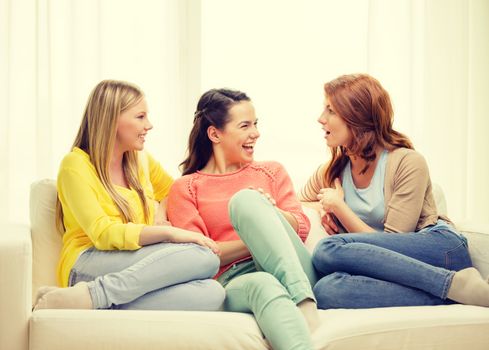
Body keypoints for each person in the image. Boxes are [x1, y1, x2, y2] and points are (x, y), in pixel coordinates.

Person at [300, 73, 489, 309]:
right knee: (327, 291)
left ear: (357, 117)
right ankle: (455, 291)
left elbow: (394, 241)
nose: (321, 118)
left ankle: (452, 281)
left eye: (331, 110)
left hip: (440, 250)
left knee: (328, 250)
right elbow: (297, 203)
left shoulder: (407, 162)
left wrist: (339, 207)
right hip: (397, 268)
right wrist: (322, 207)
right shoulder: (332, 170)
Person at [33, 79, 225, 311]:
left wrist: (159, 214)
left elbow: (174, 191)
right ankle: (96, 293)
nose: (149, 125)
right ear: (112, 119)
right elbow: (103, 233)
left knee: (213, 294)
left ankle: (92, 299)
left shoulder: (140, 161)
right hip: (87, 261)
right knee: (204, 257)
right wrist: (169, 232)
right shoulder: (75, 165)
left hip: (134, 260)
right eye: (140, 116)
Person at [167, 88, 320, 350]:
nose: (256, 133)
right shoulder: (187, 187)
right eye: (245, 125)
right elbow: (197, 258)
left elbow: (302, 227)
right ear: (215, 133)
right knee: (264, 283)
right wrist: (258, 235)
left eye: (256, 124)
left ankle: (303, 301)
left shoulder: (271, 172)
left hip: (296, 272)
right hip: (234, 280)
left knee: (247, 201)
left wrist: (270, 215)